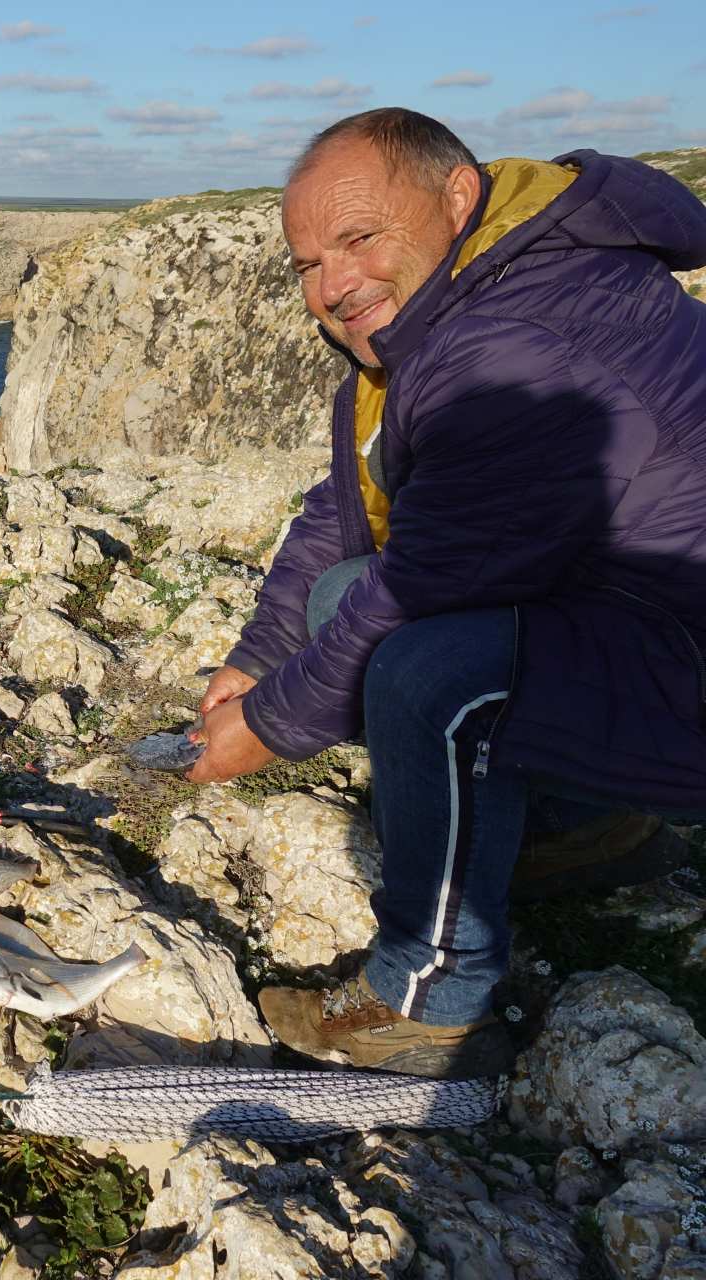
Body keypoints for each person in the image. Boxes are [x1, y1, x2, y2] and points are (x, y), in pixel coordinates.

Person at [186, 107, 706, 1079]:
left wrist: (269, 724)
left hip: (683, 655)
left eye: (359, 238)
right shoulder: (453, 306)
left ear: (458, 197)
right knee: (341, 601)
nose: (333, 285)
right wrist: (258, 657)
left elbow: (424, 584)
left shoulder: (517, 338)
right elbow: (350, 504)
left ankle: (430, 1002)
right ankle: (581, 830)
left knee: (424, 670)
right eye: (308, 263)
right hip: (634, 621)